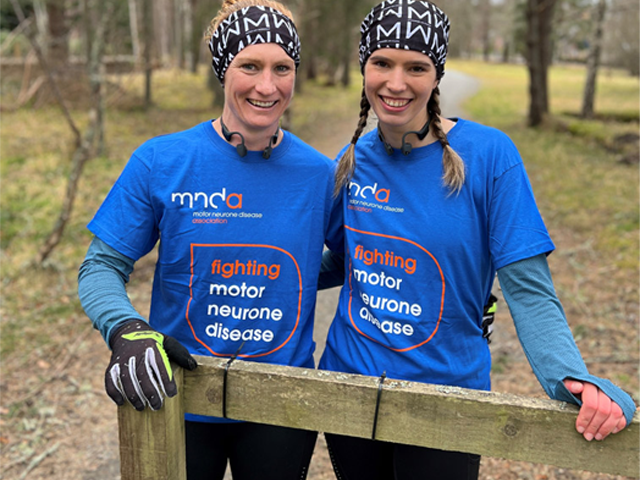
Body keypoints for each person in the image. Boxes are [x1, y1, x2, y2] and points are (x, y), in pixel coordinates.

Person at [317, 1, 637, 479]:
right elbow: (346, 260)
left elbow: (526, 285)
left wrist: (567, 376)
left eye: (416, 67)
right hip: (350, 384)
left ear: (436, 74)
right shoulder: (352, 160)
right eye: (382, 62)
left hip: (448, 393)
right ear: (364, 67)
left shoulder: (489, 156)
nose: (396, 82)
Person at [78, 1, 340, 478]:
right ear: (223, 71)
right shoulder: (162, 160)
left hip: (281, 399)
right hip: (177, 392)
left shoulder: (320, 174)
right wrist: (126, 330)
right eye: (250, 66)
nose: (267, 85)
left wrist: (289, 279)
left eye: (282, 67)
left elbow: (360, 257)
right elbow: (100, 266)